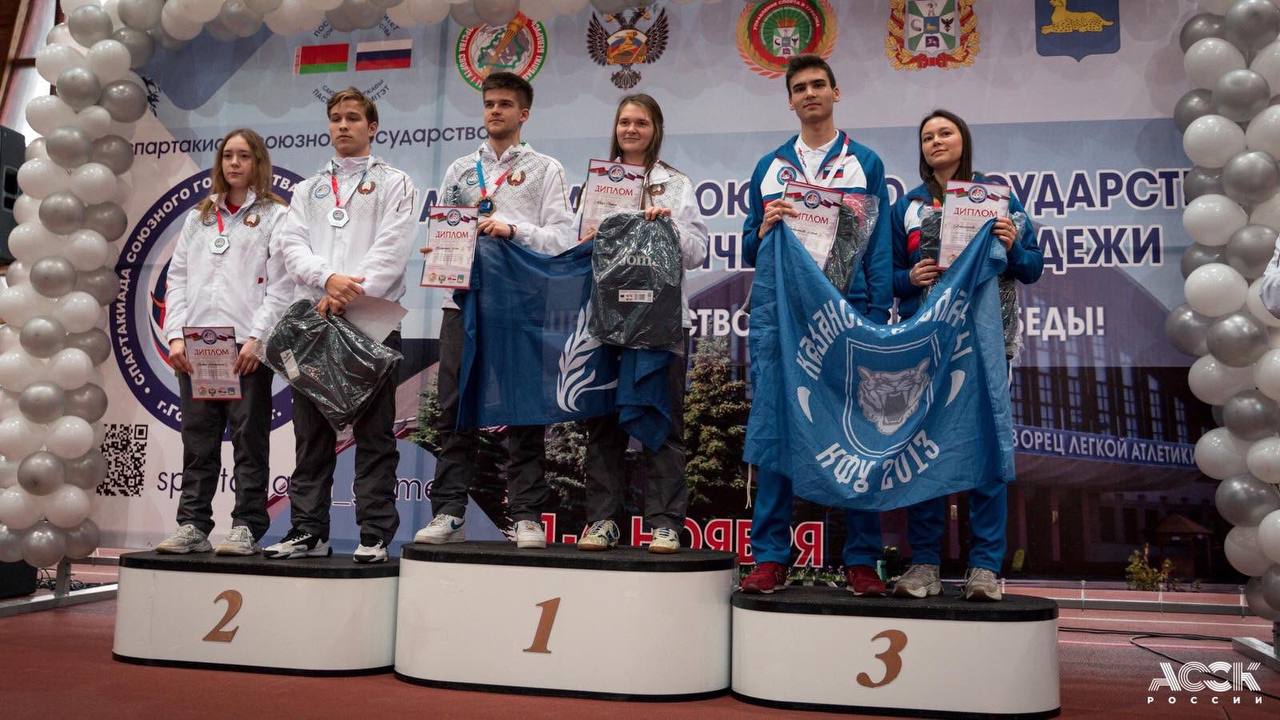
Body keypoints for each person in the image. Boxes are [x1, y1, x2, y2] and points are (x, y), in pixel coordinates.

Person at [737, 55, 894, 595]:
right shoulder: (770, 167)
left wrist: (875, 316)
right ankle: (770, 556)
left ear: (835, 92)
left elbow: (879, 246)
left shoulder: (864, 162)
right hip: (783, 316)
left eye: (818, 85)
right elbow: (748, 245)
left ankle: (861, 559)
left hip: (849, 313)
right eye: (799, 87)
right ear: (789, 100)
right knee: (776, 428)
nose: (809, 93)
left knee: (859, 434)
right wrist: (764, 225)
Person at [414, 71, 575, 549]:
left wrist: (513, 229)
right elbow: (446, 225)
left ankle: (525, 515)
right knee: (455, 406)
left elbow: (562, 239)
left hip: (521, 305)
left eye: (505, 104)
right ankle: (449, 511)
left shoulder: (545, 169)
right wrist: (439, 249)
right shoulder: (461, 170)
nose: (495, 111)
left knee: (525, 407)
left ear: (524, 113)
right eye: (489, 104)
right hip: (463, 302)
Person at [887, 109, 1043, 601]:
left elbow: (1032, 267)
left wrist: (1013, 247)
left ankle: (984, 567)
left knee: (986, 450)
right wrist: (907, 278)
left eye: (945, 132)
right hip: (926, 344)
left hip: (986, 343)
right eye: (927, 136)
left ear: (963, 140)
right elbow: (885, 275)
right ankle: (925, 564)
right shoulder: (908, 207)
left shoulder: (1000, 198)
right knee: (923, 453)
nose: (936, 141)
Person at [264, 87, 418, 564]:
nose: (343, 125)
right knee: (311, 435)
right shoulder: (307, 190)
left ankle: (374, 533)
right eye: (336, 118)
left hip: (372, 324)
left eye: (353, 117)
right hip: (317, 324)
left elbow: (392, 250)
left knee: (374, 436)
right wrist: (326, 279)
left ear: (372, 127)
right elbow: (292, 247)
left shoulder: (396, 183)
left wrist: (345, 289)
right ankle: (309, 531)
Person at [573, 94, 709, 554]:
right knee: (603, 423)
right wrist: (588, 237)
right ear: (616, 129)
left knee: (663, 420)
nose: (631, 130)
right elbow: (578, 246)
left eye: (641, 123)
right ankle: (602, 521)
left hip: (661, 320)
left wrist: (668, 226)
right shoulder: (598, 184)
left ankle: (665, 523)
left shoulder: (676, 183)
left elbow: (698, 251)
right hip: (606, 319)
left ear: (656, 129)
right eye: (625, 122)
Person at [155, 128, 291, 556]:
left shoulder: (275, 216)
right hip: (197, 348)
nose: (234, 163)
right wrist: (175, 337)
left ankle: (247, 526)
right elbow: (177, 279)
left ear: (258, 162)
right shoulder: (198, 217)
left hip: (245, 349)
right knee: (198, 442)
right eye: (228, 155)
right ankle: (193, 525)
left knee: (250, 442)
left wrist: (257, 340)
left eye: (243, 156)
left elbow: (281, 286)